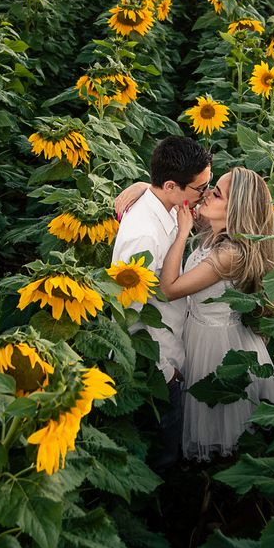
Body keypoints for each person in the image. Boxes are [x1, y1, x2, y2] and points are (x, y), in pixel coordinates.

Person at [157, 167, 274, 462]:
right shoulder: (213, 235)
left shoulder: (232, 254)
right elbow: (169, 191)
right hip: (198, 333)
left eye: (216, 193)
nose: (206, 194)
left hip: (219, 346)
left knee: (221, 424)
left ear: (235, 210)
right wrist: (139, 187)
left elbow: (169, 289)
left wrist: (181, 234)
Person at [111, 136, 212, 471]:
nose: (204, 195)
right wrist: (165, 369)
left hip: (171, 347)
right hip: (155, 363)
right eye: (201, 188)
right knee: (161, 457)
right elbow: (128, 313)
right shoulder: (144, 234)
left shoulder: (167, 204)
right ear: (171, 185)